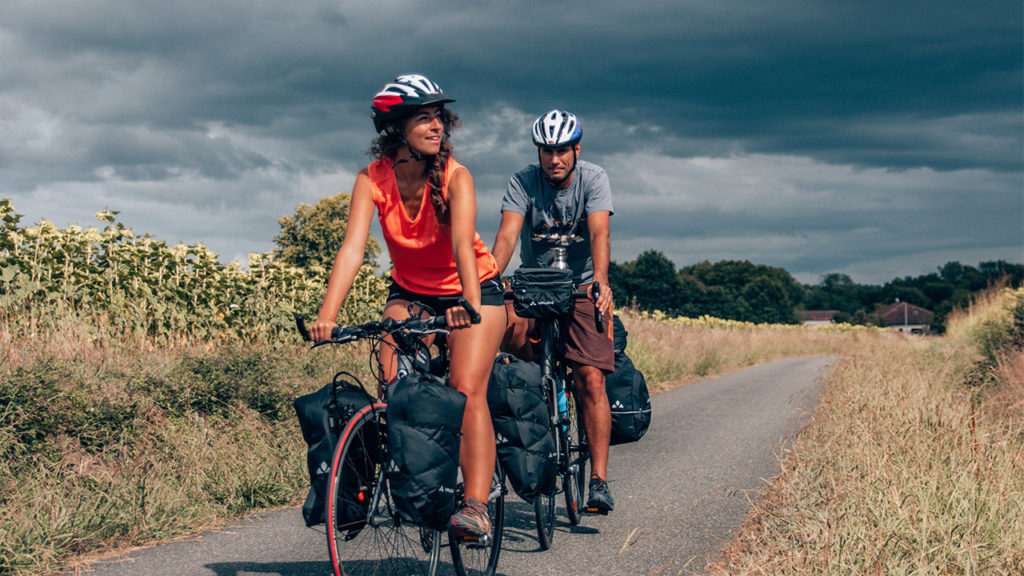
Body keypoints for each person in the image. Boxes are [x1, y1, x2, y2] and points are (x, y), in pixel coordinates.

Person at [309, 74, 505, 539]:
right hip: (410, 292)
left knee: (465, 388)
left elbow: (462, 245)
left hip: (474, 288)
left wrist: (468, 305)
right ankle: (414, 484)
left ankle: (476, 505)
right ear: (396, 129)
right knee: (391, 380)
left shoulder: (457, 176)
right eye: (424, 117)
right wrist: (327, 316)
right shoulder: (371, 178)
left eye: (438, 116)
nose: (436, 125)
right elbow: (353, 249)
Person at [490, 109, 616, 514]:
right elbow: (508, 235)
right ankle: (531, 412)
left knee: (590, 378)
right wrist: (489, 280)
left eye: (562, 150)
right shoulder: (522, 181)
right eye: (547, 150)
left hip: (580, 285)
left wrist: (601, 279)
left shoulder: (594, 179)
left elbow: (599, 231)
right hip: (533, 283)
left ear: (576, 149)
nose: (555, 158)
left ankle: (598, 480)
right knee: (499, 339)